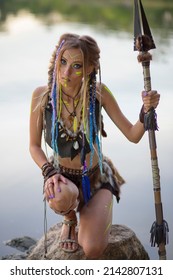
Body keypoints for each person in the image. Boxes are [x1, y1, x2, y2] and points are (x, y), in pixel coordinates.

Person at [29, 33, 160, 259]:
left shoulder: (100, 93)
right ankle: (70, 217)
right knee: (60, 196)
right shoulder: (42, 96)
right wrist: (48, 172)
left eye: (76, 65)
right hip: (61, 176)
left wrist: (146, 110)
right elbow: (33, 146)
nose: (66, 72)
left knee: (92, 248)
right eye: (63, 62)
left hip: (96, 177)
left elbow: (133, 134)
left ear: (89, 69)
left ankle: (93, 214)